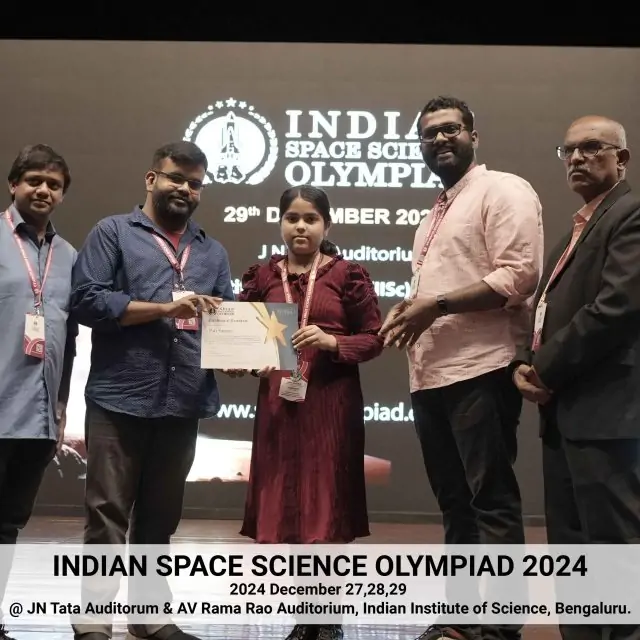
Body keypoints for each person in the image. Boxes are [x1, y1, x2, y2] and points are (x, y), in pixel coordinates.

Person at [379, 96, 544, 640]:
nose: (439, 140)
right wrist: (411, 307)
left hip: (482, 369)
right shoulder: (434, 213)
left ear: (474, 135)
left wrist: (437, 305)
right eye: (428, 134)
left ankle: (501, 628)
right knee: (455, 504)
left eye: (450, 129)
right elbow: (442, 287)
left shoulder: (503, 190)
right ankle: (462, 618)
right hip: (431, 376)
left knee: (491, 500)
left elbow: (518, 276)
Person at [70, 141, 234, 640]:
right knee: (107, 514)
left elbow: (225, 322)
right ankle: (94, 617)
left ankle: (149, 616)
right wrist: (164, 308)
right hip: (119, 396)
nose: (184, 189)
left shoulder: (212, 251)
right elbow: (88, 301)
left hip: (184, 400)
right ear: (151, 179)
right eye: (175, 178)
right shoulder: (113, 232)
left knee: (160, 519)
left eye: (194, 183)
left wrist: (241, 356)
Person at [227, 185, 384, 640]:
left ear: (326, 225)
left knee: (326, 508)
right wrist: (243, 360)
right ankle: (304, 615)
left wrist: (333, 341)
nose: (301, 226)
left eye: (311, 219)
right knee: (291, 509)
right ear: (281, 223)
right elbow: (245, 338)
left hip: (331, 403)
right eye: (292, 217)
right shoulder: (262, 275)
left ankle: (329, 617)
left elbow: (374, 338)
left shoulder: (347, 274)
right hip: (279, 403)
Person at [511, 116, 640, 640]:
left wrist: (544, 367)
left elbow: (615, 308)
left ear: (621, 159)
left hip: (606, 416)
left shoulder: (631, 215)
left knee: (614, 553)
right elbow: (547, 311)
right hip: (565, 414)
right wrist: (524, 359)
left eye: (591, 148)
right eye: (569, 151)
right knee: (572, 553)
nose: (577, 158)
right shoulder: (574, 231)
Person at [0, 144, 76, 640]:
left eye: (54, 184)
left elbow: (70, 339)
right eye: (34, 181)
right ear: (14, 184)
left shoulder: (69, 256)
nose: (44, 190)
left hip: (38, 416)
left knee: (8, 524)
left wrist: (62, 404)